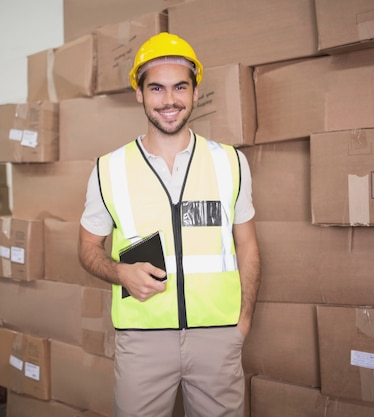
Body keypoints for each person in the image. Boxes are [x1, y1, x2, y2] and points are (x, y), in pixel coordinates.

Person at [78, 32, 261, 417]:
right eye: (156, 88)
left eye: (180, 87)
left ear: (195, 92)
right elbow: (87, 248)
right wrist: (120, 273)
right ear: (140, 94)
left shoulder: (230, 163)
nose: (169, 100)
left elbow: (247, 245)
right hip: (143, 342)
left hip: (218, 338)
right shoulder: (108, 169)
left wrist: (241, 324)